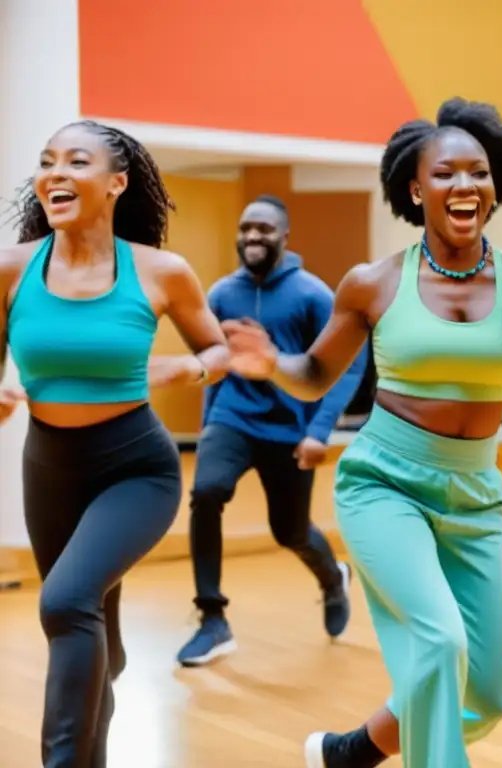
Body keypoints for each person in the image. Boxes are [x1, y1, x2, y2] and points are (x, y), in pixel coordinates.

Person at [221, 97, 502, 768]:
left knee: (492, 693)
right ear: (415, 189)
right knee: (439, 644)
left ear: (496, 183)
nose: (463, 186)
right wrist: (273, 365)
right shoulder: (374, 284)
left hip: (475, 491)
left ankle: (354, 752)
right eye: (444, 174)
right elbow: (316, 372)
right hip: (384, 481)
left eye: (478, 172)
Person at [0, 120, 229, 767]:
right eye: (48, 162)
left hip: (136, 469)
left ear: (117, 183)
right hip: (48, 467)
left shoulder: (160, 271)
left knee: (67, 602)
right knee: (95, 632)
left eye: (77, 161)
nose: (56, 173)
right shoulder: (12, 269)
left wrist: (192, 368)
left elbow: (216, 348)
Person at [176, 195, 367, 667]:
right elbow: (215, 364)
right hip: (232, 418)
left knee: (290, 530)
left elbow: (348, 364)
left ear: (285, 236)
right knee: (207, 492)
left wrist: (320, 430)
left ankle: (332, 577)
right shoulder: (221, 293)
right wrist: (208, 427)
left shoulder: (312, 295)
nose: (252, 237)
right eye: (245, 229)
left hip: (291, 428)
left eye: (263, 228)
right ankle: (212, 619)